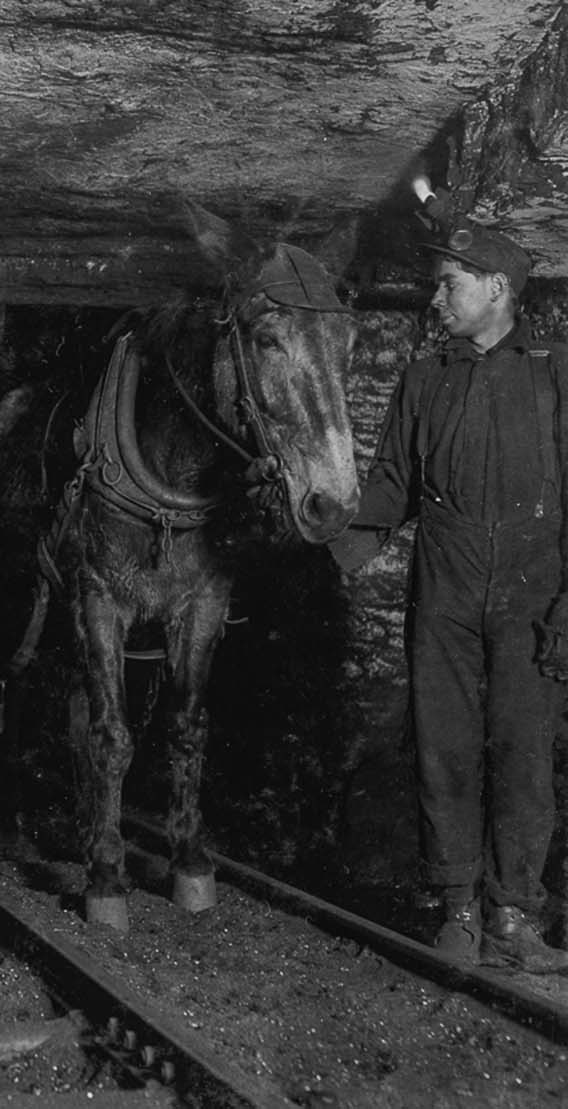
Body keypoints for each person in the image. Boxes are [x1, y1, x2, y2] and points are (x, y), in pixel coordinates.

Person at [331, 223, 568, 973]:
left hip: (534, 585)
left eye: (450, 284)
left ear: (497, 288)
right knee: (445, 748)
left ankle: (514, 917)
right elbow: (392, 483)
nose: (436, 298)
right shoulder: (423, 376)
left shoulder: (557, 373)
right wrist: (333, 548)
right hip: (447, 576)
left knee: (526, 753)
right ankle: (458, 910)